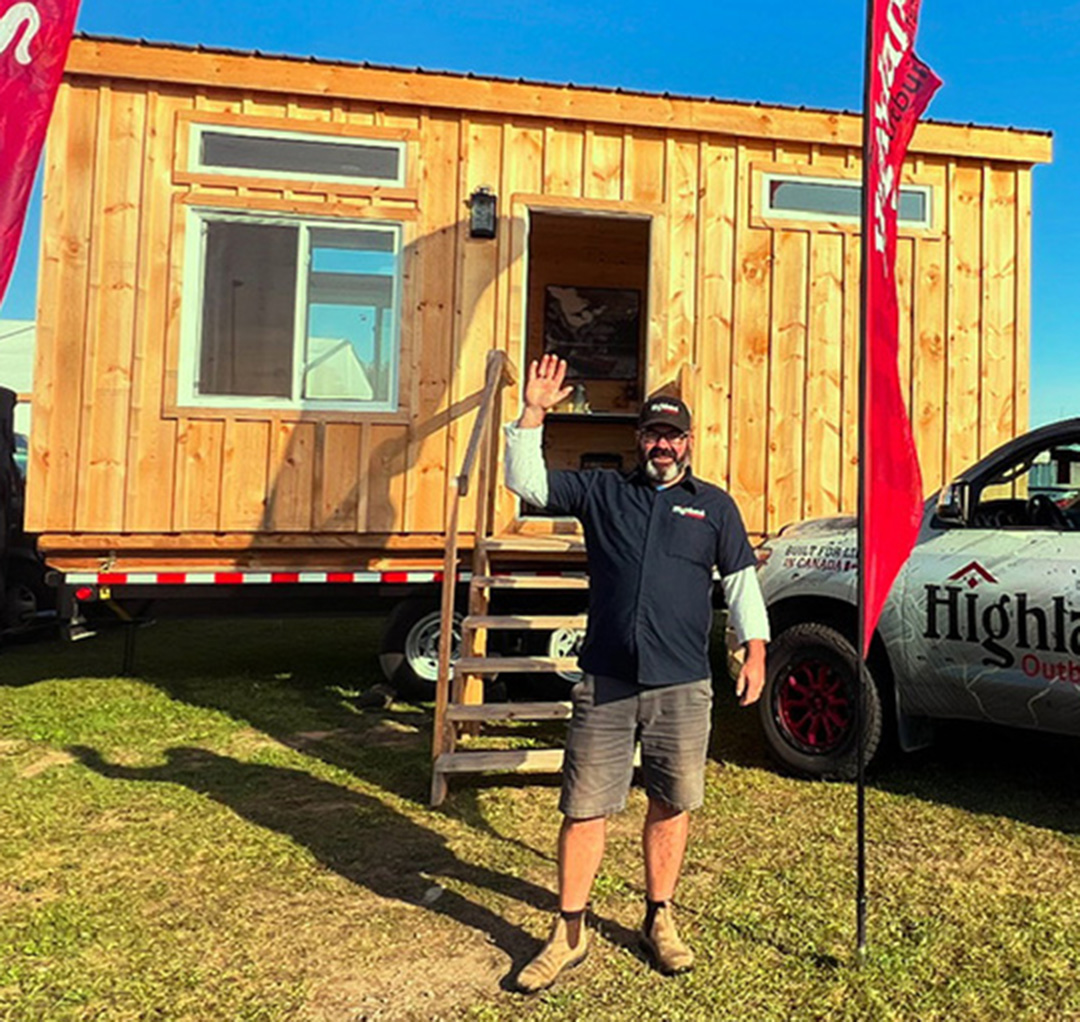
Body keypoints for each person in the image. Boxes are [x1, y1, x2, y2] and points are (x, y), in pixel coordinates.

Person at [504, 354, 770, 993]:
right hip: (607, 680)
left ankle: (659, 918)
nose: (662, 444)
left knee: (671, 802)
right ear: (639, 439)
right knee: (584, 808)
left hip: (682, 682)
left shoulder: (713, 506)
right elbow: (529, 484)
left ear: (688, 442)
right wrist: (534, 412)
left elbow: (740, 583)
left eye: (673, 435)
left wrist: (755, 647)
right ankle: (569, 932)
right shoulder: (602, 493)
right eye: (653, 433)